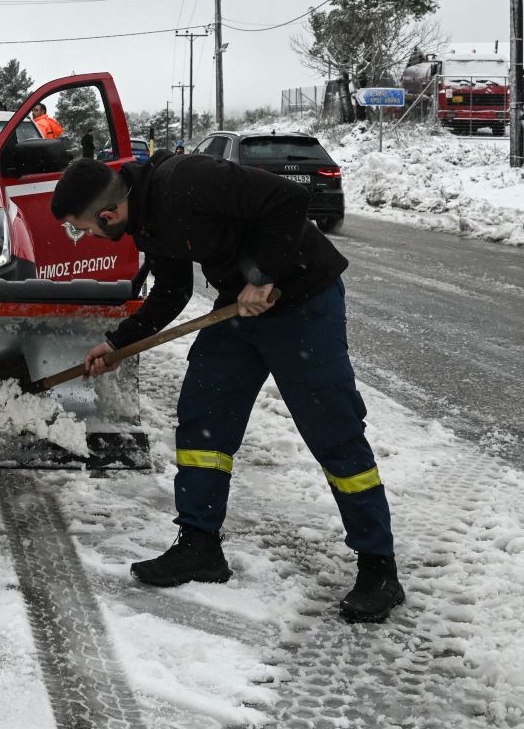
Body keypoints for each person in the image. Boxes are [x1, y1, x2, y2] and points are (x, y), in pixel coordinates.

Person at [50, 155, 403, 624]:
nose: (86, 237)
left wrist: (263, 276)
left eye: (82, 228)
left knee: (333, 431)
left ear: (107, 213)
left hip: (302, 301)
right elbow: (171, 292)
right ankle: (199, 545)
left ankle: (379, 567)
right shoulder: (147, 221)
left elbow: (289, 198)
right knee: (203, 416)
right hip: (239, 313)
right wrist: (118, 342)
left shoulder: (185, 180)